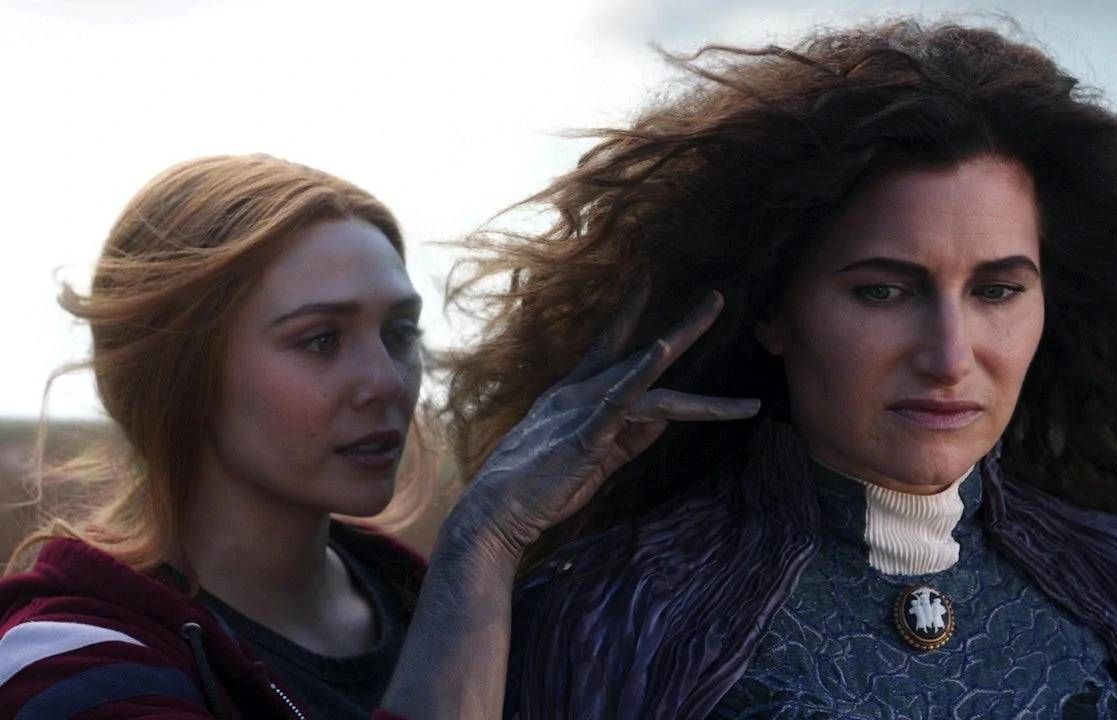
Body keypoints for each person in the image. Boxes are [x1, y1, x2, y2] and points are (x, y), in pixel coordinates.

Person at [441, 20, 1117, 719]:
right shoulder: (611, 616)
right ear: (773, 310)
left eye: (997, 291)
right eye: (883, 291)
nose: (950, 356)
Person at [0, 154, 756, 719]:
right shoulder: (72, 662)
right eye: (321, 340)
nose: (388, 381)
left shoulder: (422, 604)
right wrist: (483, 542)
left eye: (399, 332)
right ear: (179, 374)